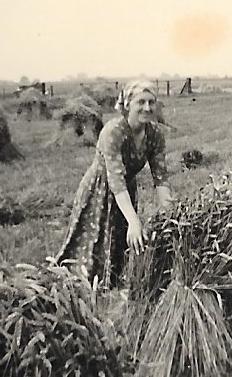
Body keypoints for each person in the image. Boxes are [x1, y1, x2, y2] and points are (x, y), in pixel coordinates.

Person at [56, 79, 174, 285]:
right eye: (141, 102)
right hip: (100, 190)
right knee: (93, 243)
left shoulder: (155, 135)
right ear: (127, 104)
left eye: (151, 102)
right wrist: (134, 220)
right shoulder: (113, 132)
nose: (147, 108)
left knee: (121, 244)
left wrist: (170, 213)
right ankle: (81, 286)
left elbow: (161, 177)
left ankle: (114, 283)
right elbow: (116, 180)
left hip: (126, 190)